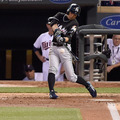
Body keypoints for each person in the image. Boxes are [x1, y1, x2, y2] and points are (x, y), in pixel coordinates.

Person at [47, 3, 97, 99]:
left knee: (71, 77)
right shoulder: (60, 15)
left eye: (75, 14)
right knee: (52, 69)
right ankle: (51, 92)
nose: (74, 16)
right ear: (69, 11)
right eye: (73, 13)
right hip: (54, 47)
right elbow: (52, 23)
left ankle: (87, 85)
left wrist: (62, 39)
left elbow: (68, 37)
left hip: (64, 49)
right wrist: (57, 32)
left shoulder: (75, 23)